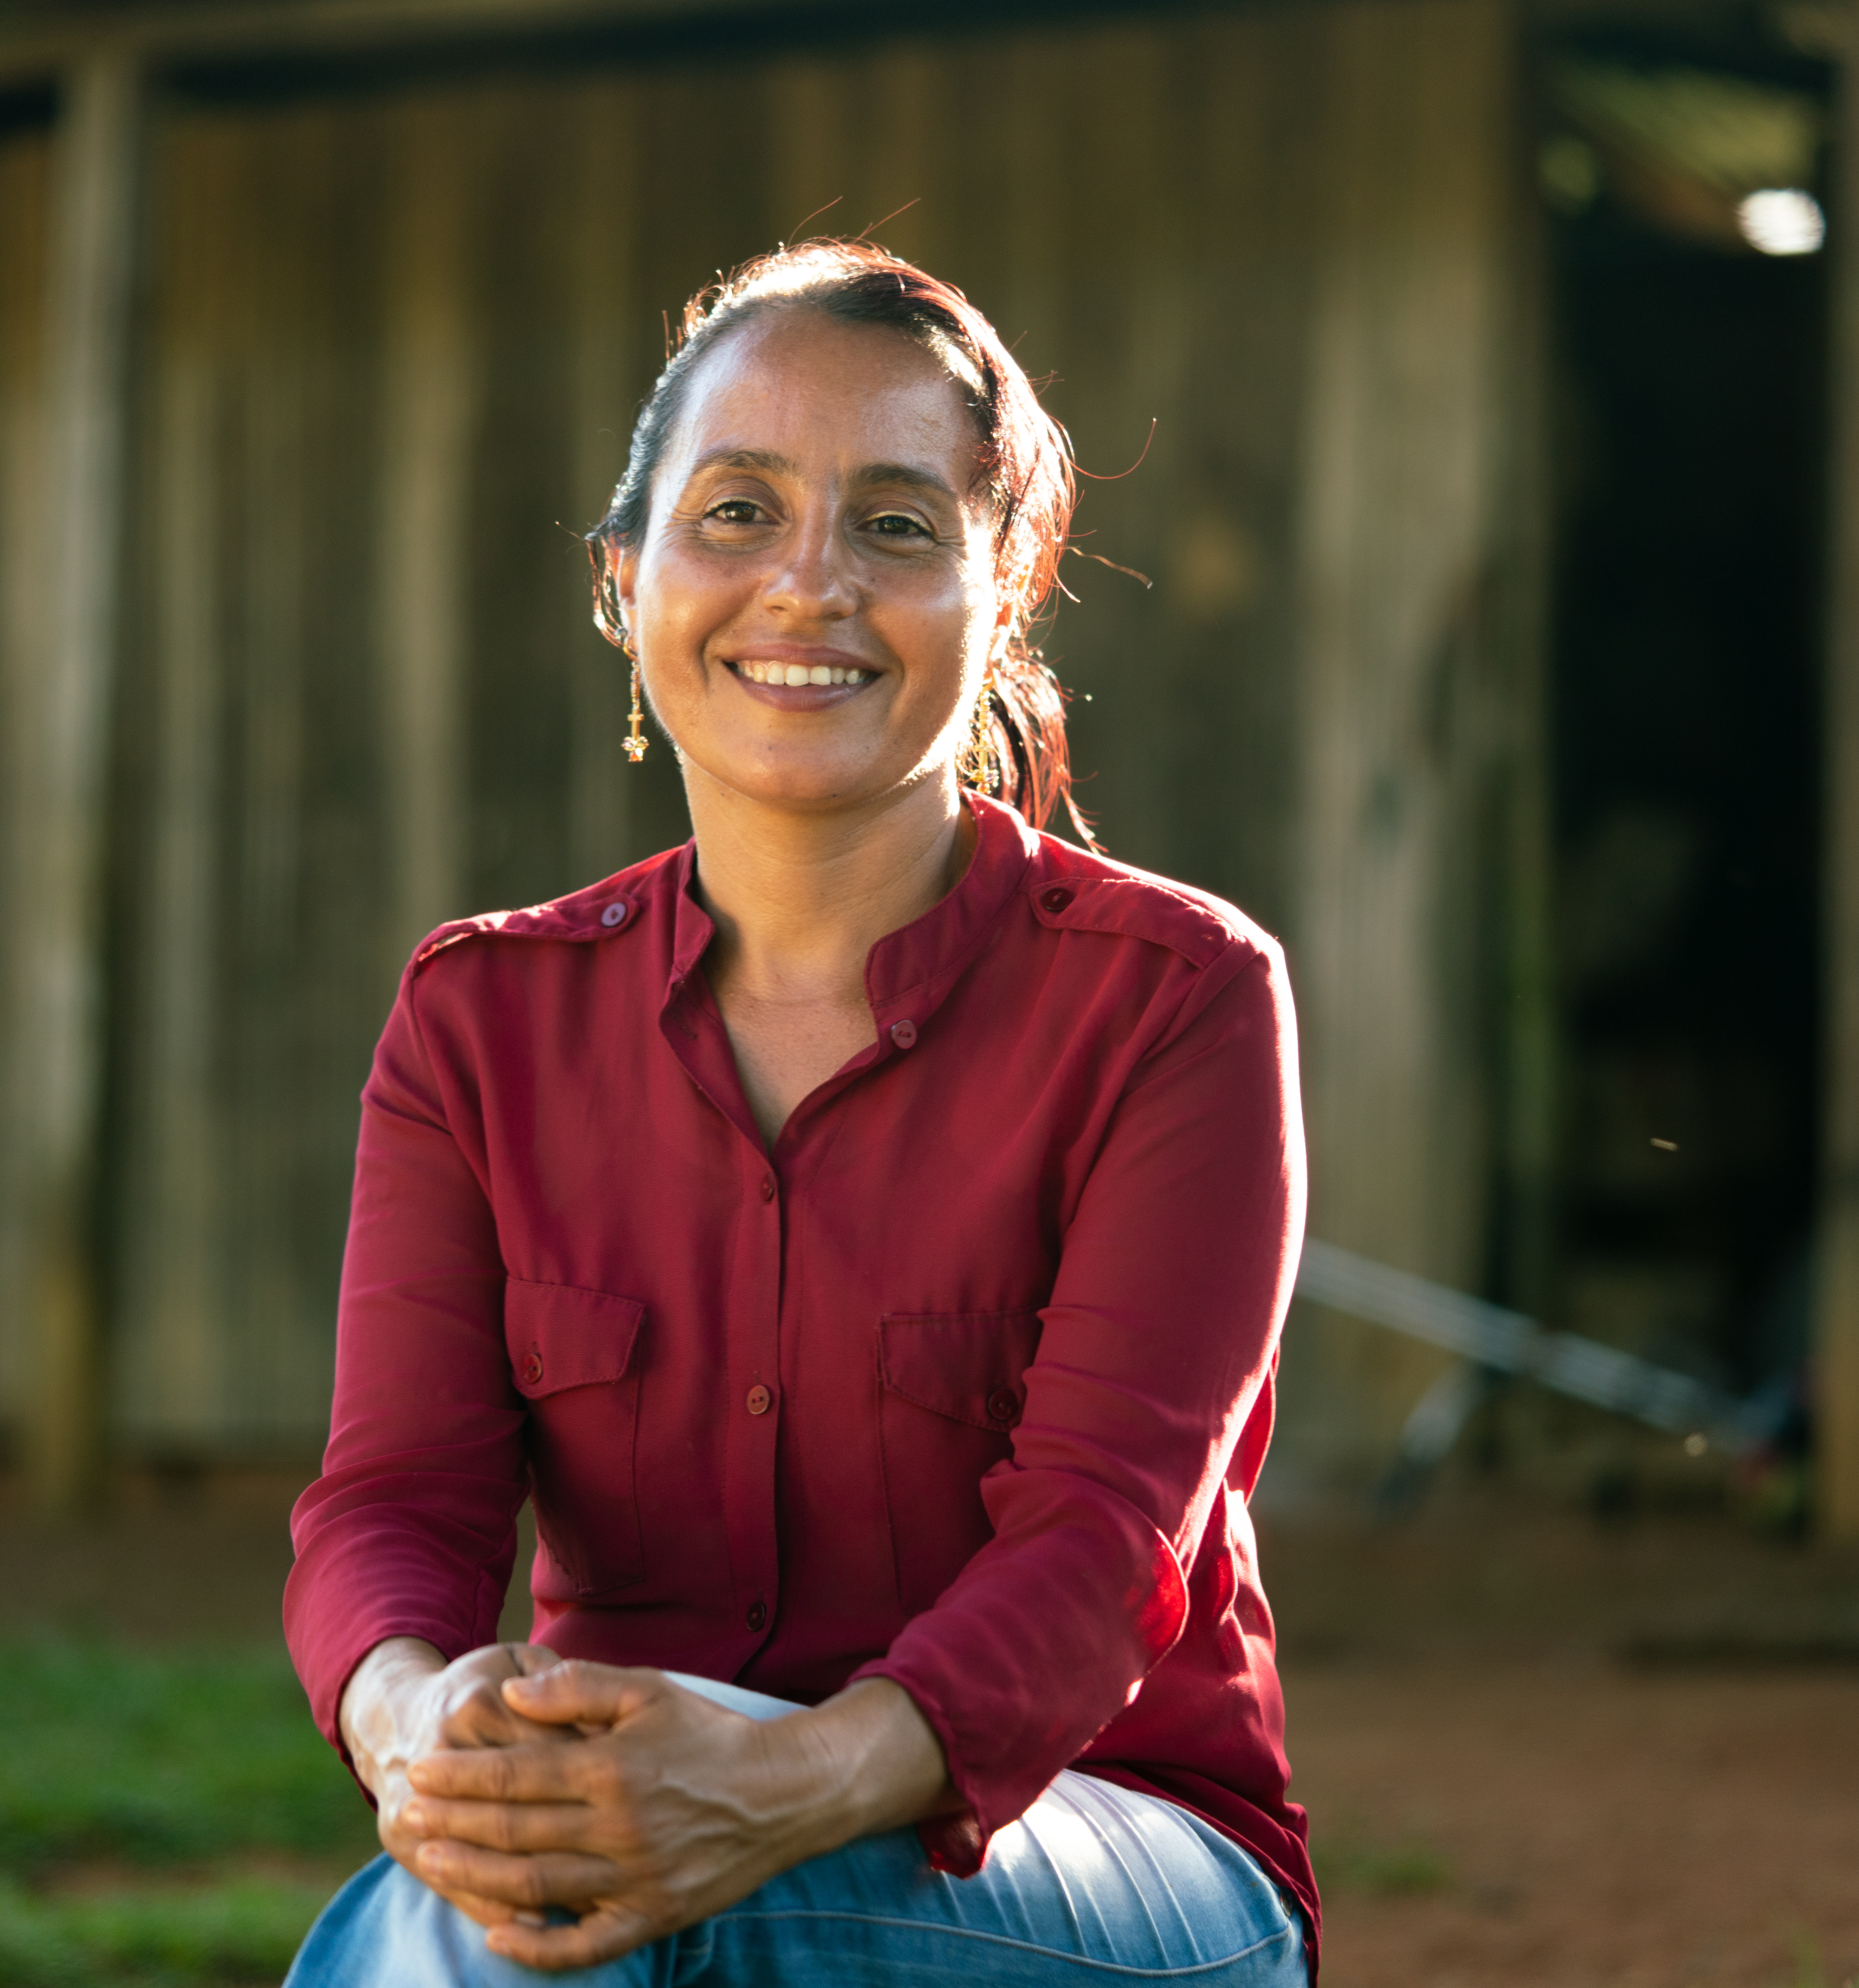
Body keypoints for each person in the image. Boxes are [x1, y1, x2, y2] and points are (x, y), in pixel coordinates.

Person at [282, 239, 1315, 1986]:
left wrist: (789, 1779)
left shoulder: (1174, 997)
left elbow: (1102, 1545)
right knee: (520, 1917)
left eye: (899, 525)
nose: (810, 585)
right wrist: (415, 1719)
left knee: (602, 1930)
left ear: (1011, 584)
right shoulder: (481, 1022)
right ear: (627, 582)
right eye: (738, 512)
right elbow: (390, 1501)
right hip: (616, 1838)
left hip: (1107, 1841)